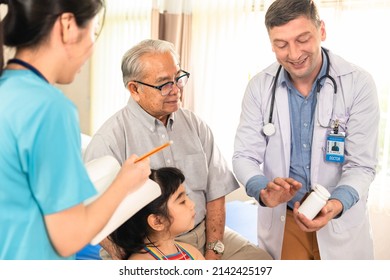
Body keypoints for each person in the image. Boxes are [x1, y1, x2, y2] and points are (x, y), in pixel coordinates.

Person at [84, 38, 272, 260]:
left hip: (203, 234)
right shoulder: (110, 139)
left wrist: (213, 251)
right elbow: (89, 212)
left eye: (178, 78)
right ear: (134, 89)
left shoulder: (195, 125)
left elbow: (216, 194)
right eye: (164, 84)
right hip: (145, 247)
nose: (176, 90)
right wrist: (128, 259)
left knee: (262, 262)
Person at [0, 0, 150, 260]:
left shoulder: (8, 91)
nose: (92, 48)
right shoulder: (49, 108)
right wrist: (124, 183)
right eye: (93, 33)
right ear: (68, 25)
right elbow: (69, 238)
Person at [232, 0, 379, 260]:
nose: (294, 53)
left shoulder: (357, 83)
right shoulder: (259, 87)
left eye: (302, 39)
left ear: (321, 30)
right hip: (284, 220)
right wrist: (263, 190)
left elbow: (362, 166)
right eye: (281, 44)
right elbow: (244, 156)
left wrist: (336, 204)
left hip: (339, 218)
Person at [109, 167, 204, 260]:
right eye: (182, 201)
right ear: (157, 221)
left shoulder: (193, 253)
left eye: (186, 196)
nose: (192, 204)